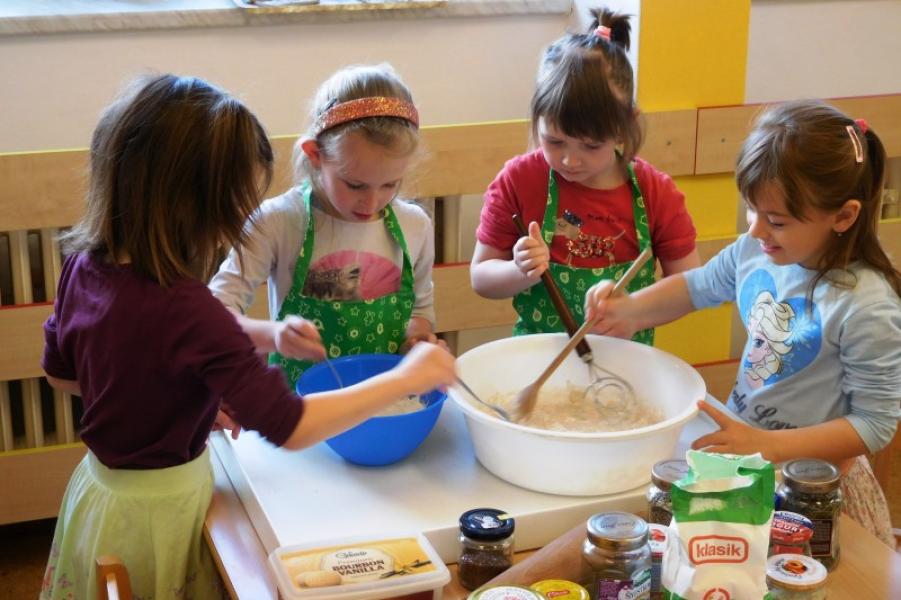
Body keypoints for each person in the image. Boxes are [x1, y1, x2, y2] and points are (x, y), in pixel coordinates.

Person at [39, 73, 456, 600]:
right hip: (162, 516)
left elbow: (64, 376)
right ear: (198, 206)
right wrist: (406, 379)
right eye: (236, 203)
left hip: (101, 497)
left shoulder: (84, 266)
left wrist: (260, 342)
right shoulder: (190, 308)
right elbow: (292, 427)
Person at [585, 100, 901, 545]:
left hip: (813, 491)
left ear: (844, 216)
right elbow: (697, 286)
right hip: (748, 457)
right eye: (752, 210)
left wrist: (768, 445)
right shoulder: (757, 251)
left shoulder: (867, 306)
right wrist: (631, 309)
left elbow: (874, 424)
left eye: (776, 221)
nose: (755, 230)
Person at [470, 7, 700, 345]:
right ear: (537, 119)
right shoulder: (520, 181)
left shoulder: (654, 192)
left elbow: (690, 287)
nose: (569, 160)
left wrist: (636, 312)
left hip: (624, 362)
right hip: (539, 357)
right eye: (554, 141)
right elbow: (481, 277)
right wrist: (519, 271)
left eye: (591, 146)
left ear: (625, 126)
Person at [210, 63, 440, 390]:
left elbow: (420, 310)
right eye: (355, 185)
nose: (372, 203)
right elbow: (214, 312)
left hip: (387, 401)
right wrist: (273, 336)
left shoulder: (414, 225)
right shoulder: (279, 221)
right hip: (302, 407)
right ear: (315, 154)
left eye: (391, 184)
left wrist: (417, 340)